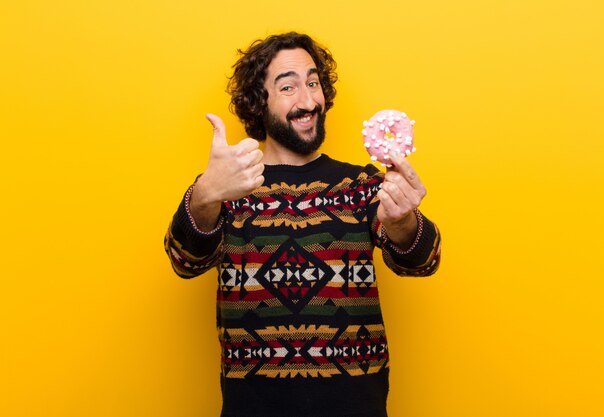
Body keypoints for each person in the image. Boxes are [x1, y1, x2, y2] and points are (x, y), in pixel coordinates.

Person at [164, 32, 441, 417]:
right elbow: (184, 261)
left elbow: (423, 261)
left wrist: (403, 220)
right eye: (289, 86)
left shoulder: (362, 186)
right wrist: (206, 194)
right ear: (258, 102)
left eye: (313, 83)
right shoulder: (231, 186)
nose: (308, 100)